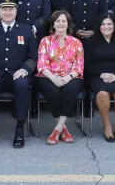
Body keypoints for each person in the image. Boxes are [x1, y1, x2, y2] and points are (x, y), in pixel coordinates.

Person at [0, 0, 38, 149]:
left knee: (22, 86)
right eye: (4, 9)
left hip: (18, 74)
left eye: (11, 9)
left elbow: (33, 57)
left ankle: (19, 130)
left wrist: (25, 70)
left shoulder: (27, 30)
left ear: (16, 10)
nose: (8, 12)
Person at [36, 10, 85, 145]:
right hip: (48, 75)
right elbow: (41, 64)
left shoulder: (76, 42)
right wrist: (54, 78)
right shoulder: (45, 41)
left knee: (70, 90)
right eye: (58, 21)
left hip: (71, 76)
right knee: (53, 91)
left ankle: (57, 129)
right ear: (53, 24)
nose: (61, 23)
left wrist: (68, 77)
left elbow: (79, 66)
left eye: (64, 21)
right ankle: (64, 129)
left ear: (68, 23)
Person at [83, 14, 115, 142]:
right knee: (103, 93)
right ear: (99, 27)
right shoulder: (91, 42)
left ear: (114, 26)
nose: (106, 27)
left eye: (109, 24)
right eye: (103, 24)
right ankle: (107, 126)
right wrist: (101, 74)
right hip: (97, 76)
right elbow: (87, 64)